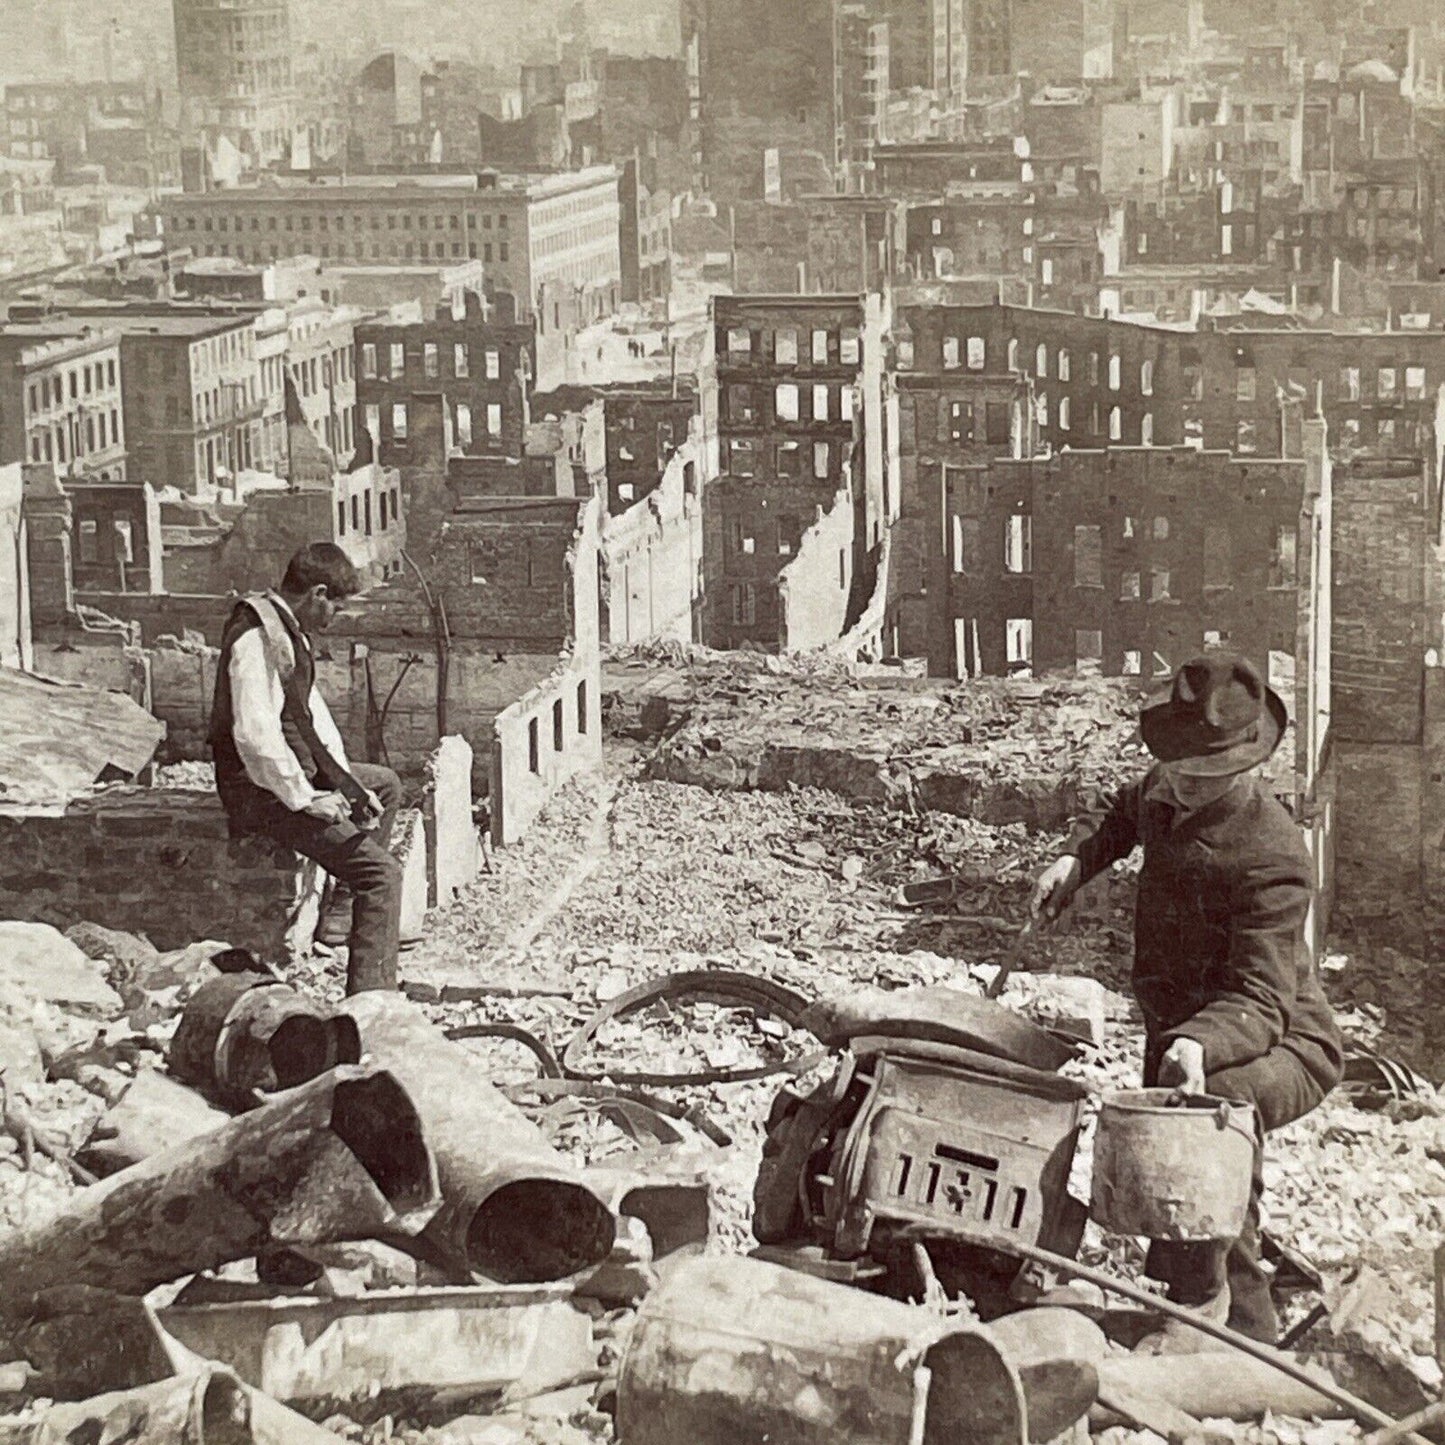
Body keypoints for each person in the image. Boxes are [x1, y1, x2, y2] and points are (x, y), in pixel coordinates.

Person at [1030, 652, 1342, 1348]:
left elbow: (1262, 997)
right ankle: (1185, 1298)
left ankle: (1246, 1334)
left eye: (1205, 776)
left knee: (1211, 1122)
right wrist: (1076, 862)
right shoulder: (1165, 785)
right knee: (1167, 1159)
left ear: (1245, 763)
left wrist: (1199, 1043)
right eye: (1177, 770)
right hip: (1182, 1022)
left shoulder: (1272, 852)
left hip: (1280, 1037)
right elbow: (1123, 817)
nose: (1184, 788)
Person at [210, 543, 404, 995]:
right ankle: (370, 997)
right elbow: (255, 737)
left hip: (284, 775)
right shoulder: (254, 636)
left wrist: (349, 785)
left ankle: (339, 915)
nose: (337, 614)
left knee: (385, 786)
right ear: (317, 593)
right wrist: (307, 798)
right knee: (383, 875)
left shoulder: (285, 630)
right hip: (259, 791)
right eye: (336, 603)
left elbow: (311, 717)